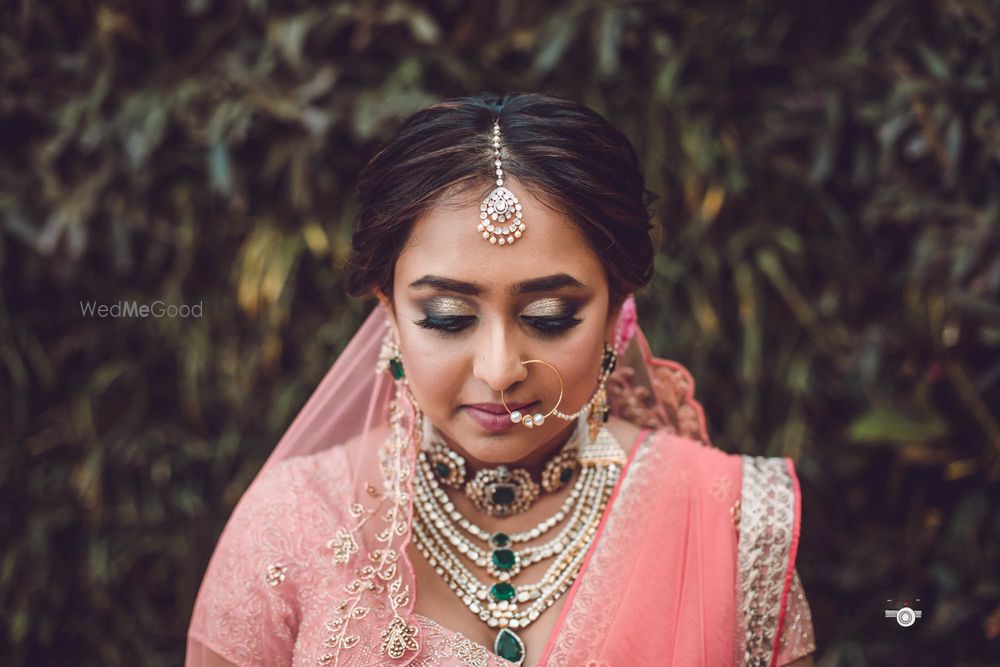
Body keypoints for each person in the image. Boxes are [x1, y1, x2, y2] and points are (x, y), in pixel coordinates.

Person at [185, 92, 817, 666]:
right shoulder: (295, 523)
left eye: (549, 317)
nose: (499, 370)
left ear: (617, 309)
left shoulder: (731, 523)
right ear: (390, 312)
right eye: (447, 317)